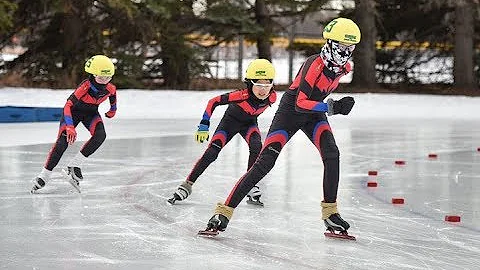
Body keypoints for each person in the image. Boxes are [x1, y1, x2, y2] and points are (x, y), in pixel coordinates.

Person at [202, 18, 361, 235]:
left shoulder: (344, 68)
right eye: (342, 46)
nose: (345, 52)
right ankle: (223, 212)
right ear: (331, 43)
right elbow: (300, 102)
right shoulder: (314, 64)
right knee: (264, 163)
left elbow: (317, 102)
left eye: (350, 47)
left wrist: (332, 107)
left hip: (313, 115)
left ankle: (330, 214)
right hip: (291, 113)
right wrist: (332, 108)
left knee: (332, 154)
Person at [167, 59, 277, 206]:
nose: (263, 89)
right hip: (229, 124)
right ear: (250, 84)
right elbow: (213, 101)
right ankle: (187, 185)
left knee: (257, 147)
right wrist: (204, 125)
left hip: (249, 124)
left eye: (267, 84)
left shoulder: (272, 97)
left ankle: (250, 185)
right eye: (258, 85)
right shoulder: (240, 96)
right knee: (212, 153)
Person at [31, 55, 117, 194]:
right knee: (62, 143)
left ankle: (75, 165)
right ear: (93, 74)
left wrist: (113, 110)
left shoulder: (111, 88)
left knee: (100, 135)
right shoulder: (85, 86)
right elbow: (68, 105)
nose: (104, 81)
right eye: (101, 78)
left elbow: (113, 98)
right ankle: (44, 176)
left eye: (108, 78)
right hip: (72, 114)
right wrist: (70, 126)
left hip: (91, 114)